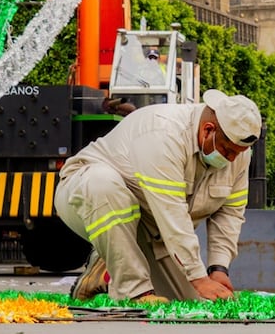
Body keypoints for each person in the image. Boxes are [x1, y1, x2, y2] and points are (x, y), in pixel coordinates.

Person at [55, 89, 262, 303]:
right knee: (103, 184)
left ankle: (104, 270)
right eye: (227, 151)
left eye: (239, 153)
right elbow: (172, 214)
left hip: (153, 229)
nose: (231, 159)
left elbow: (229, 214)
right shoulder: (164, 134)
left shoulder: (238, 153)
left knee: (193, 302)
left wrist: (219, 269)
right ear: (208, 130)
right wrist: (198, 276)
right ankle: (134, 292)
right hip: (84, 194)